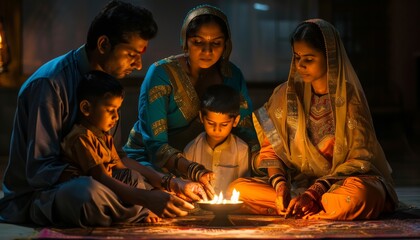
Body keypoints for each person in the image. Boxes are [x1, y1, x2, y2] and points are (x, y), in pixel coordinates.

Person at [0, 0, 206, 227]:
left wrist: (171, 183)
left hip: (97, 181)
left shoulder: (107, 87)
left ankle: (132, 208)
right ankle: (137, 211)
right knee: (87, 194)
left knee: (135, 178)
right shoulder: (50, 84)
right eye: (131, 54)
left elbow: (117, 157)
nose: (138, 65)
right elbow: (40, 171)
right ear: (103, 44)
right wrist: (140, 196)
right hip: (41, 196)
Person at [228, 19, 398, 220]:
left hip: (339, 185)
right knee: (236, 190)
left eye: (309, 59)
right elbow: (271, 149)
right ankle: (301, 206)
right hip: (297, 185)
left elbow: (361, 158)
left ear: (330, 57)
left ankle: (309, 205)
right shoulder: (285, 94)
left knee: (360, 196)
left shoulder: (349, 98)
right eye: (296, 57)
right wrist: (280, 185)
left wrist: (316, 191)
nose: (300, 65)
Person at [123, 4, 259, 199]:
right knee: (150, 196)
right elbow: (155, 145)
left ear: (226, 45)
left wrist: (265, 166)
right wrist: (193, 171)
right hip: (152, 165)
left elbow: (246, 132)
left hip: (205, 167)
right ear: (185, 41)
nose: (207, 51)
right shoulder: (161, 75)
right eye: (197, 42)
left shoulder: (232, 75)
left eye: (216, 43)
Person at [184, 84, 251, 194]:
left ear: (235, 121)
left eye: (224, 125)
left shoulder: (241, 150)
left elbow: (243, 186)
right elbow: (186, 184)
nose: (217, 130)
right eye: (211, 123)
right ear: (201, 117)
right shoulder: (192, 149)